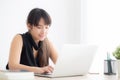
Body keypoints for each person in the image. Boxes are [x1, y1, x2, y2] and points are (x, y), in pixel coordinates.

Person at [6, 8, 58, 74]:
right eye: (39, 27)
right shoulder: (19, 39)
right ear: (29, 26)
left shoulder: (47, 42)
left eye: (46, 27)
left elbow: (61, 64)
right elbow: (12, 66)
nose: (44, 31)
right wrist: (38, 70)